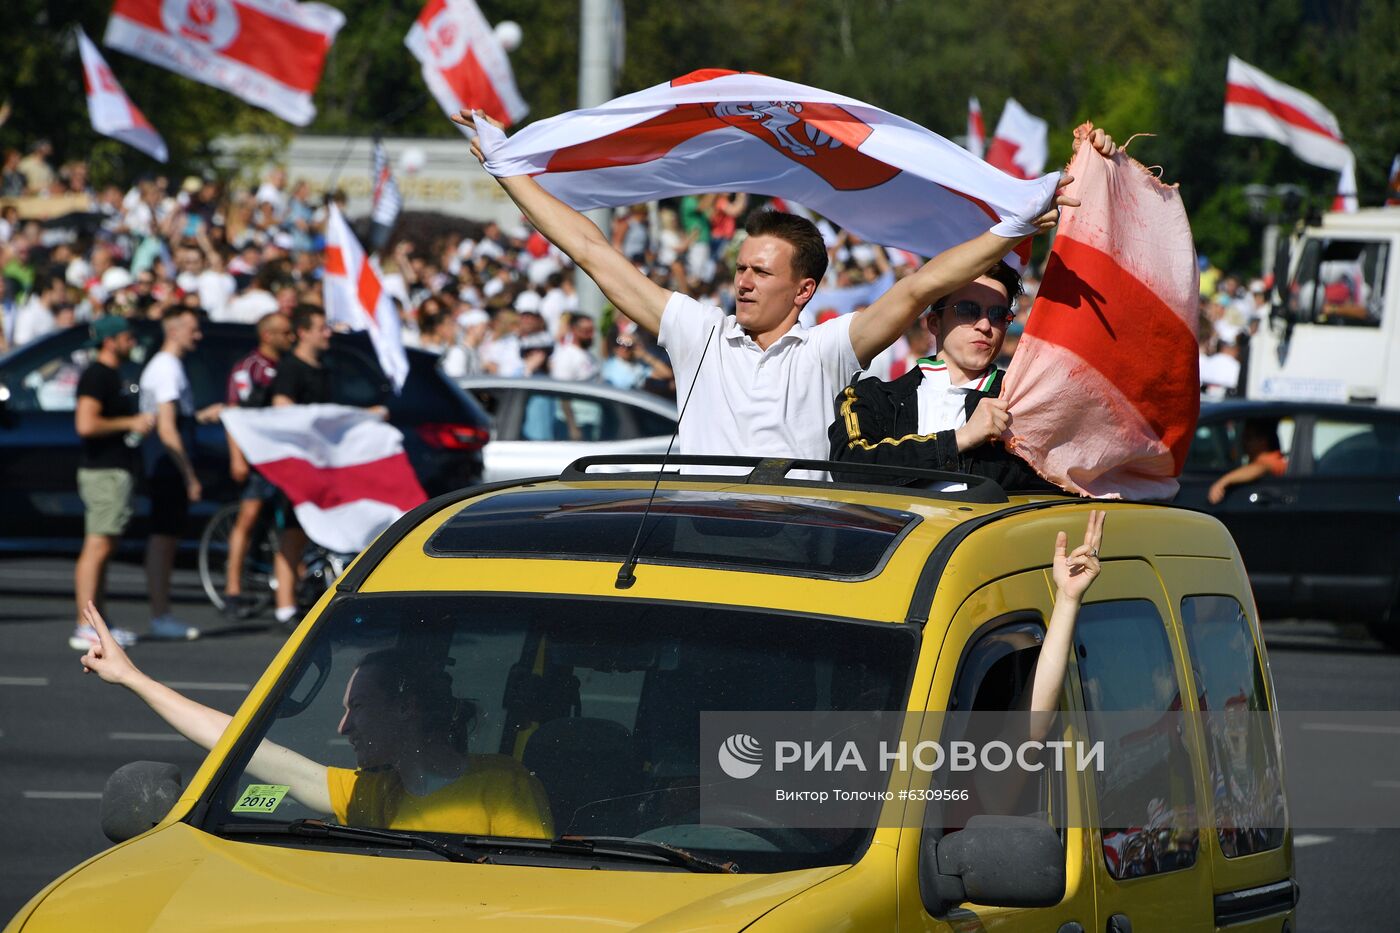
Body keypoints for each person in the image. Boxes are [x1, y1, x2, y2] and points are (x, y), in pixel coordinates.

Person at [458, 110, 1086, 478]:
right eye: (741, 268)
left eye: (762, 271)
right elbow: (592, 252)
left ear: (803, 290)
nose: (743, 281)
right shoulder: (697, 333)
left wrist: (1012, 227)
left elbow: (923, 285)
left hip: (792, 550)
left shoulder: (830, 350)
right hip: (693, 538)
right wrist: (507, 168)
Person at [77, 603, 554, 838]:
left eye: (359, 708)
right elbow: (243, 746)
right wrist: (134, 679)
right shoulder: (370, 793)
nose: (344, 727)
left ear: (408, 708)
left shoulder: (505, 786)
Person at [826, 262, 1052, 490]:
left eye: (998, 315)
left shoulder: (1023, 403)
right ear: (934, 323)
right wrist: (959, 440)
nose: (985, 325)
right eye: (968, 310)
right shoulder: (872, 397)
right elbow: (849, 468)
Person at [70, 317, 156, 650]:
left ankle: (97, 621)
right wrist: (130, 421)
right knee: (97, 546)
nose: (132, 341)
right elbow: (86, 423)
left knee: (104, 547)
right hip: (103, 471)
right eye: (127, 336)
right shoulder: (97, 375)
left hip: (114, 469)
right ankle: (85, 624)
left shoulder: (111, 375)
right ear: (110, 341)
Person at [139, 306, 222, 640]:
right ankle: (160, 615)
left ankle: (162, 612)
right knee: (163, 538)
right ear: (173, 331)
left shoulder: (168, 367)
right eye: (193, 329)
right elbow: (168, 429)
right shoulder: (166, 368)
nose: (198, 335)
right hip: (167, 463)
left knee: (167, 537)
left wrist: (200, 416)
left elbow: (175, 419)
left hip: (166, 462)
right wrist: (189, 475)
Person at [222, 311, 294, 620]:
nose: (290, 337)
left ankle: (290, 587)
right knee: (247, 518)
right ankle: (233, 589)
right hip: (257, 458)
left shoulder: (287, 366)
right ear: (267, 335)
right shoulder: (248, 369)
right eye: (283, 332)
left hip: (283, 456)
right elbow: (234, 414)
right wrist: (237, 456)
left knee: (291, 523)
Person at [1208, 419, 1287, 504]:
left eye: (1249, 438)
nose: (1244, 442)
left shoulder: (1271, 459)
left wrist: (1222, 483)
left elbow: (1259, 468)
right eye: (1244, 437)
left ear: (1262, 440)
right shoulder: (1256, 460)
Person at [549, 313, 600, 382]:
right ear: (574, 330)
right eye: (586, 331)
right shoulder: (566, 357)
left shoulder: (590, 356)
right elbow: (561, 386)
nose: (591, 335)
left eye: (592, 330)